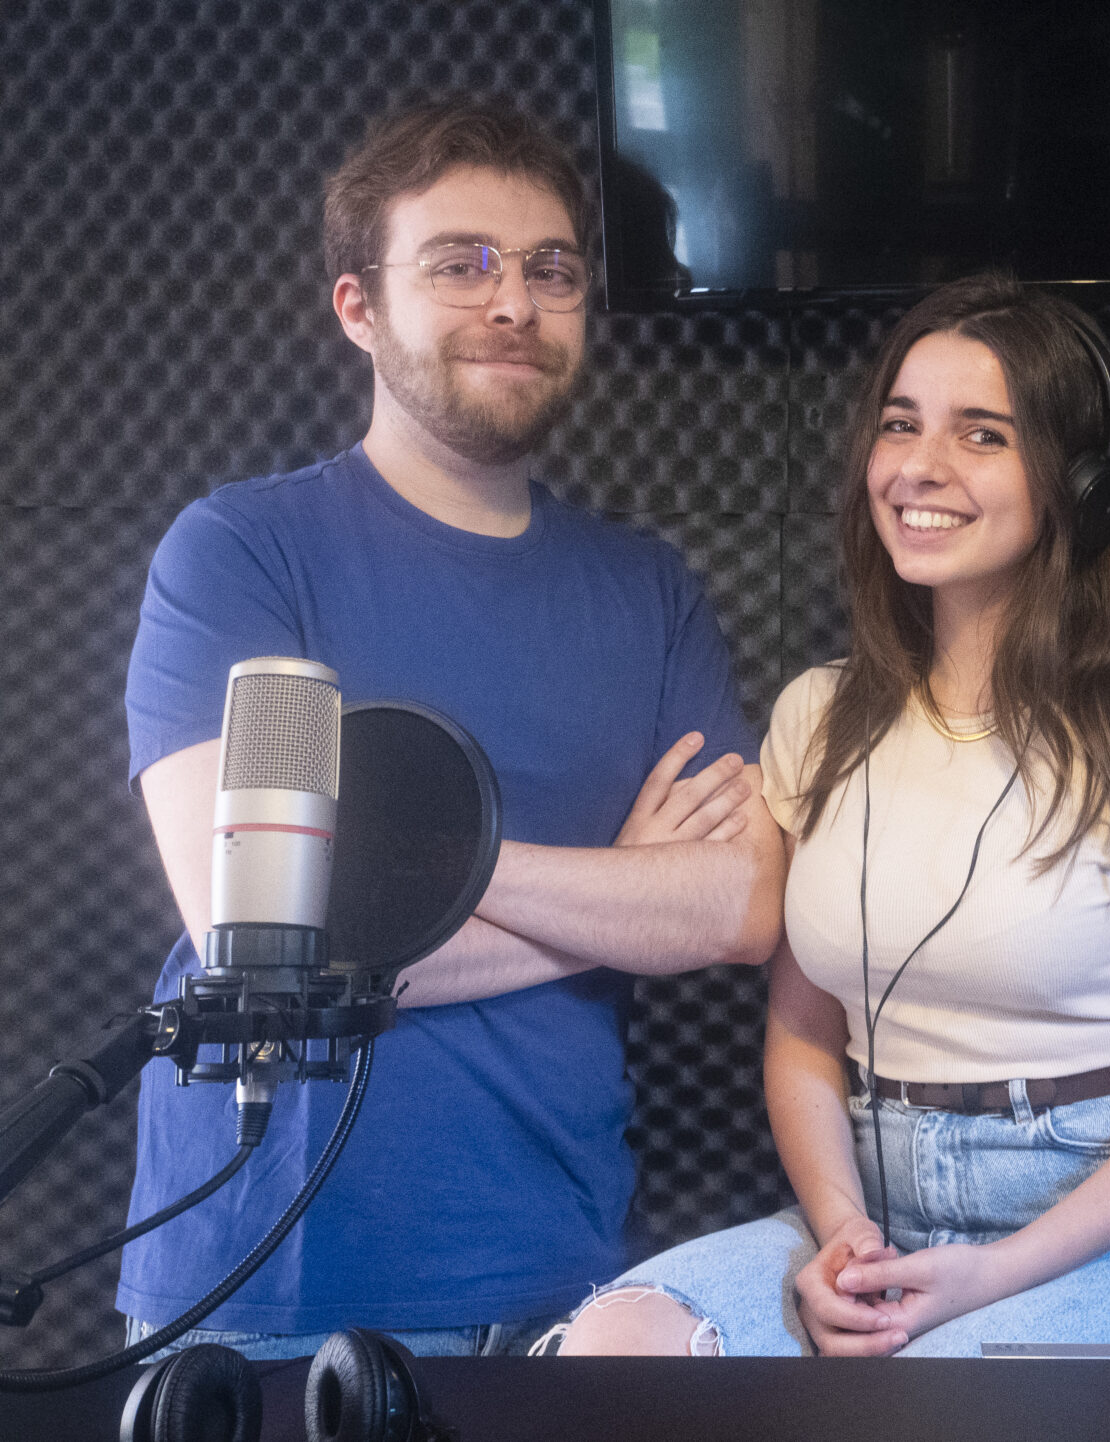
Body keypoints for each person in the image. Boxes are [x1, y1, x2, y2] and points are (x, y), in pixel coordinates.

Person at [119, 98, 785, 1361]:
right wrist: (626, 897)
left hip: (559, 1284)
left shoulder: (648, 591)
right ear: (358, 307)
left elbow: (739, 906)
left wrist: (390, 880)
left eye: (550, 270)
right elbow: (253, 928)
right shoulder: (243, 553)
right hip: (259, 1286)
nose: (514, 302)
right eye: (460, 262)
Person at [545, 273, 1110, 1359]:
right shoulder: (819, 717)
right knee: (618, 1343)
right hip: (878, 1200)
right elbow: (801, 1034)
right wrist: (839, 1230)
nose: (920, 467)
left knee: (929, 1397)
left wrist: (992, 1275)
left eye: (982, 434)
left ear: (1079, 485)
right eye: (900, 424)